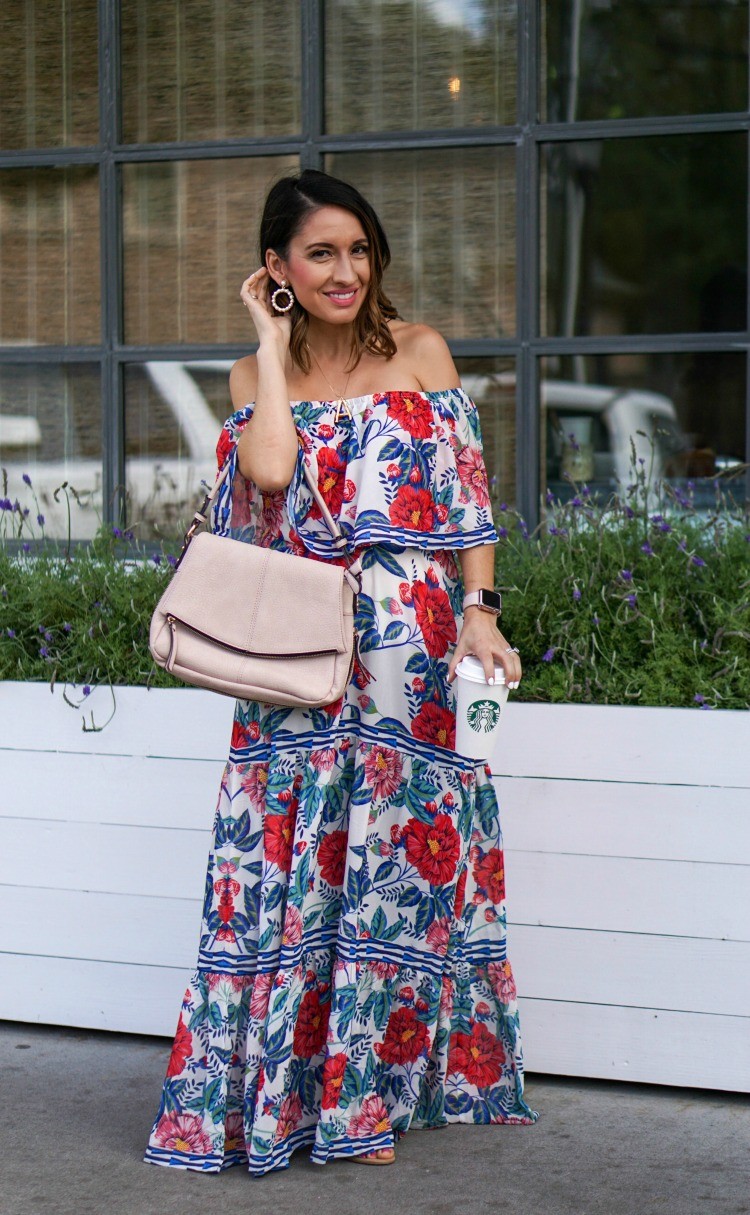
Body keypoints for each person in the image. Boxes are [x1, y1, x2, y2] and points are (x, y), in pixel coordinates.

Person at [144, 169, 537, 1177]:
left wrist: (481, 615)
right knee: (293, 867)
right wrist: (273, 350)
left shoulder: (420, 353)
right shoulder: (248, 375)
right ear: (275, 268)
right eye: (320, 253)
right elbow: (270, 477)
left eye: (358, 252)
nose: (346, 271)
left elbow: (470, 499)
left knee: (393, 873)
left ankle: (364, 1099)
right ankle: (296, 1093)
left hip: (409, 646)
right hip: (294, 653)